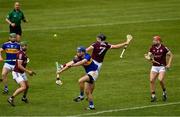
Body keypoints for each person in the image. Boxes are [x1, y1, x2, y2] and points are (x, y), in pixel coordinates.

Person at [144, 36, 173, 102]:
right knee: (151, 80)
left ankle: (164, 92)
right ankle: (153, 96)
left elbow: (171, 55)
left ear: (158, 41)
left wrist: (169, 64)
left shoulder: (164, 48)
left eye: (154, 40)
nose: (153, 41)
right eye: (153, 40)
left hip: (162, 67)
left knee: (160, 80)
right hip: (154, 67)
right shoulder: (152, 47)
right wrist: (148, 57)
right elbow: (149, 56)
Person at [7, 42, 36, 107]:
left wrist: (29, 71)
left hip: (22, 73)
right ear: (21, 47)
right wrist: (28, 72)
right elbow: (19, 66)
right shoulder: (20, 54)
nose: (24, 47)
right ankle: (11, 98)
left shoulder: (24, 54)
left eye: (25, 45)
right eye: (23, 46)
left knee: (27, 86)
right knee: (23, 87)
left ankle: (24, 98)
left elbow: (23, 66)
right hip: (17, 72)